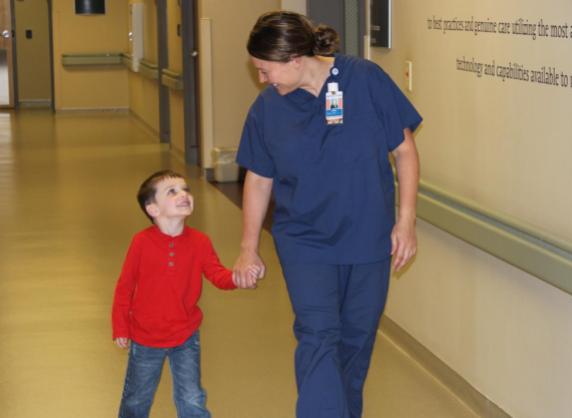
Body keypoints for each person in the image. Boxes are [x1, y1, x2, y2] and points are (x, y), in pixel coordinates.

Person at [233, 10, 422, 418]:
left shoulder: (365, 80)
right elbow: (259, 179)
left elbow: (404, 151)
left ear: (295, 59)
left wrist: (405, 221)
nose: (262, 79)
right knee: (319, 338)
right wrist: (249, 248)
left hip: (368, 239)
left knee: (356, 345)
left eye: (266, 70)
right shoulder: (267, 110)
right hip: (305, 243)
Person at [112, 170, 252, 418]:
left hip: (185, 334)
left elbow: (217, 275)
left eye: (185, 189)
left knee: (191, 397)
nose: (184, 194)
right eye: (172, 191)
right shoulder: (141, 243)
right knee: (136, 398)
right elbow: (124, 287)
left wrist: (237, 278)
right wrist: (121, 327)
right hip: (145, 337)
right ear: (153, 209)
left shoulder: (200, 241)